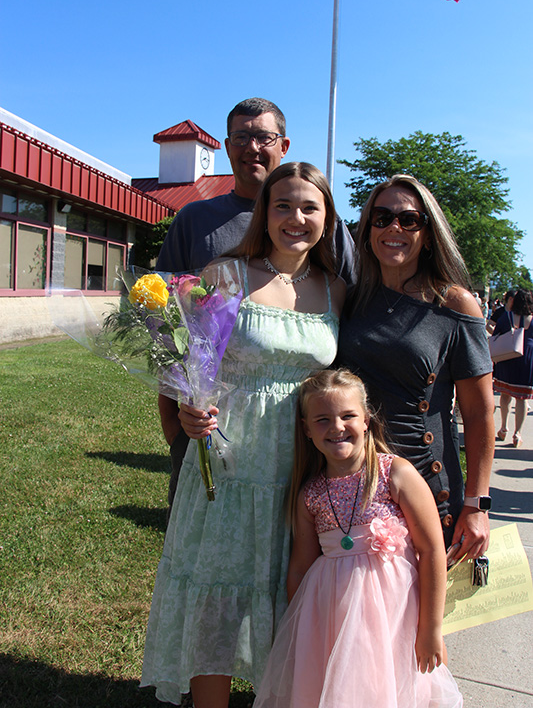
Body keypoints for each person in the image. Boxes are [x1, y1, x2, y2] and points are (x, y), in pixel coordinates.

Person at [141, 162, 346, 708]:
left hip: (300, 463)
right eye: (283, 205)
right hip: (228, 461)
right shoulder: (225, 274)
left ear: (326, 218)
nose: (295, 217)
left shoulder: (338, 292)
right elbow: (189, 363)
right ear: (264, 212)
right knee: (218, 598)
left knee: (289, 593)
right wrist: (188, 408)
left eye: (309, 207)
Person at [156, 98, 356, 510]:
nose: (252, 147)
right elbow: (165, 327)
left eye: (263, 137)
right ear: (227, 147)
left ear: (283, 145)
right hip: (215, 432)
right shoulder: (196, 221)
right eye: (241, 137)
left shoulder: (330, 237)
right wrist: (176, 423)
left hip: (305, 447)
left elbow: (352, 323)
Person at [254, 368, 463, 708]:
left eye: (347, 416)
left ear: (366, 420)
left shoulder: (395, 474)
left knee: (390, 687)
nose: (336, 427)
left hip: (395, 618)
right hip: (332, 617)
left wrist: (430, 628)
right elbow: (300, 568)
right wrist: (299, 630)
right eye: (322, 419)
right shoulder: (310, 494)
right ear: (306, 429)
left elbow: (432, 549)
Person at [337, 174, 495, 560]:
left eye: (409, 220)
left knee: (424, 617)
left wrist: (477, 506)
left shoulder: (455, 305)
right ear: (368, 228)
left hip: (426, 489)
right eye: (382, 217)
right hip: (351, 485)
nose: (395, 227)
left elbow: (479, 412)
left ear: (428, 233)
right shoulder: (350, 299)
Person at [493, 288, 533, 448]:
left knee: (505, 394)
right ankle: (517, 434)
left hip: (508, 356)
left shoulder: (506, 317)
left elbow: (496, 334)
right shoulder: (532, 319)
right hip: (527, 358)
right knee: (521, 398)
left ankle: (503, 427)